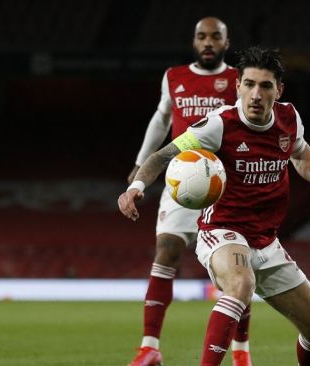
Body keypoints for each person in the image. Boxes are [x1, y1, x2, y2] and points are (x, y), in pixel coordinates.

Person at [119, 46, 310, 366]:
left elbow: (300, 155)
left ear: (279, 89)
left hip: (267, 240)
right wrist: (136, 187)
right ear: (238, 87)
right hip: (223, 230)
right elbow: (162, 156)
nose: (256, 94)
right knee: (241, 283)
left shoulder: (289, 117)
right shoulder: (219, 125)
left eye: (265, 85)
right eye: (249, 84)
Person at [125, 17, 253, 366]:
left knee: (235, 268)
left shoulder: (237, 80)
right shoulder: (174, 76)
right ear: (194, 41)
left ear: (226, 43)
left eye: (215, 37)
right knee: (166, 249)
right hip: (182, 180)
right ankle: (149, 346)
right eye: (202, 36)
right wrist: (140, 164)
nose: (208, 42)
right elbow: (161, 118)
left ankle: (241, 352)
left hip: (227, 183)